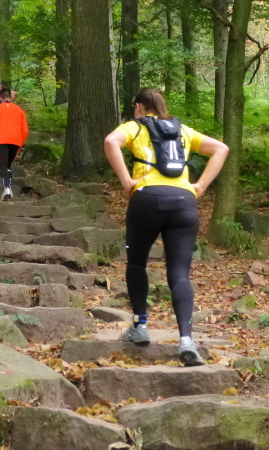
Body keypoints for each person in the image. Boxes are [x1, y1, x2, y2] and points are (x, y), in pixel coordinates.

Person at [104, 87, 228, 366]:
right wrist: (200, 186)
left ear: (139, 107)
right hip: (184, 202)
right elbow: (222, 148)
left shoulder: (135, 127)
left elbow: (111, 141)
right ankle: (186, 340)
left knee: (137, 263)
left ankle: (140, 326)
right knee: (180, 274)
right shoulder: (182, 130)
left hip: (147, 198)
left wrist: (126, 181)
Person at [0, 89, 28, 200]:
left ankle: (6, 188)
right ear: (10, 97)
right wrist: (19, 146)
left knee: (3, 164)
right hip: (15, 141)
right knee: (8, 165)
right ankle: (8, 187)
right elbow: (25, 130)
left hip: (1, 140)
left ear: (0, 97)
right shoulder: (19, 110)